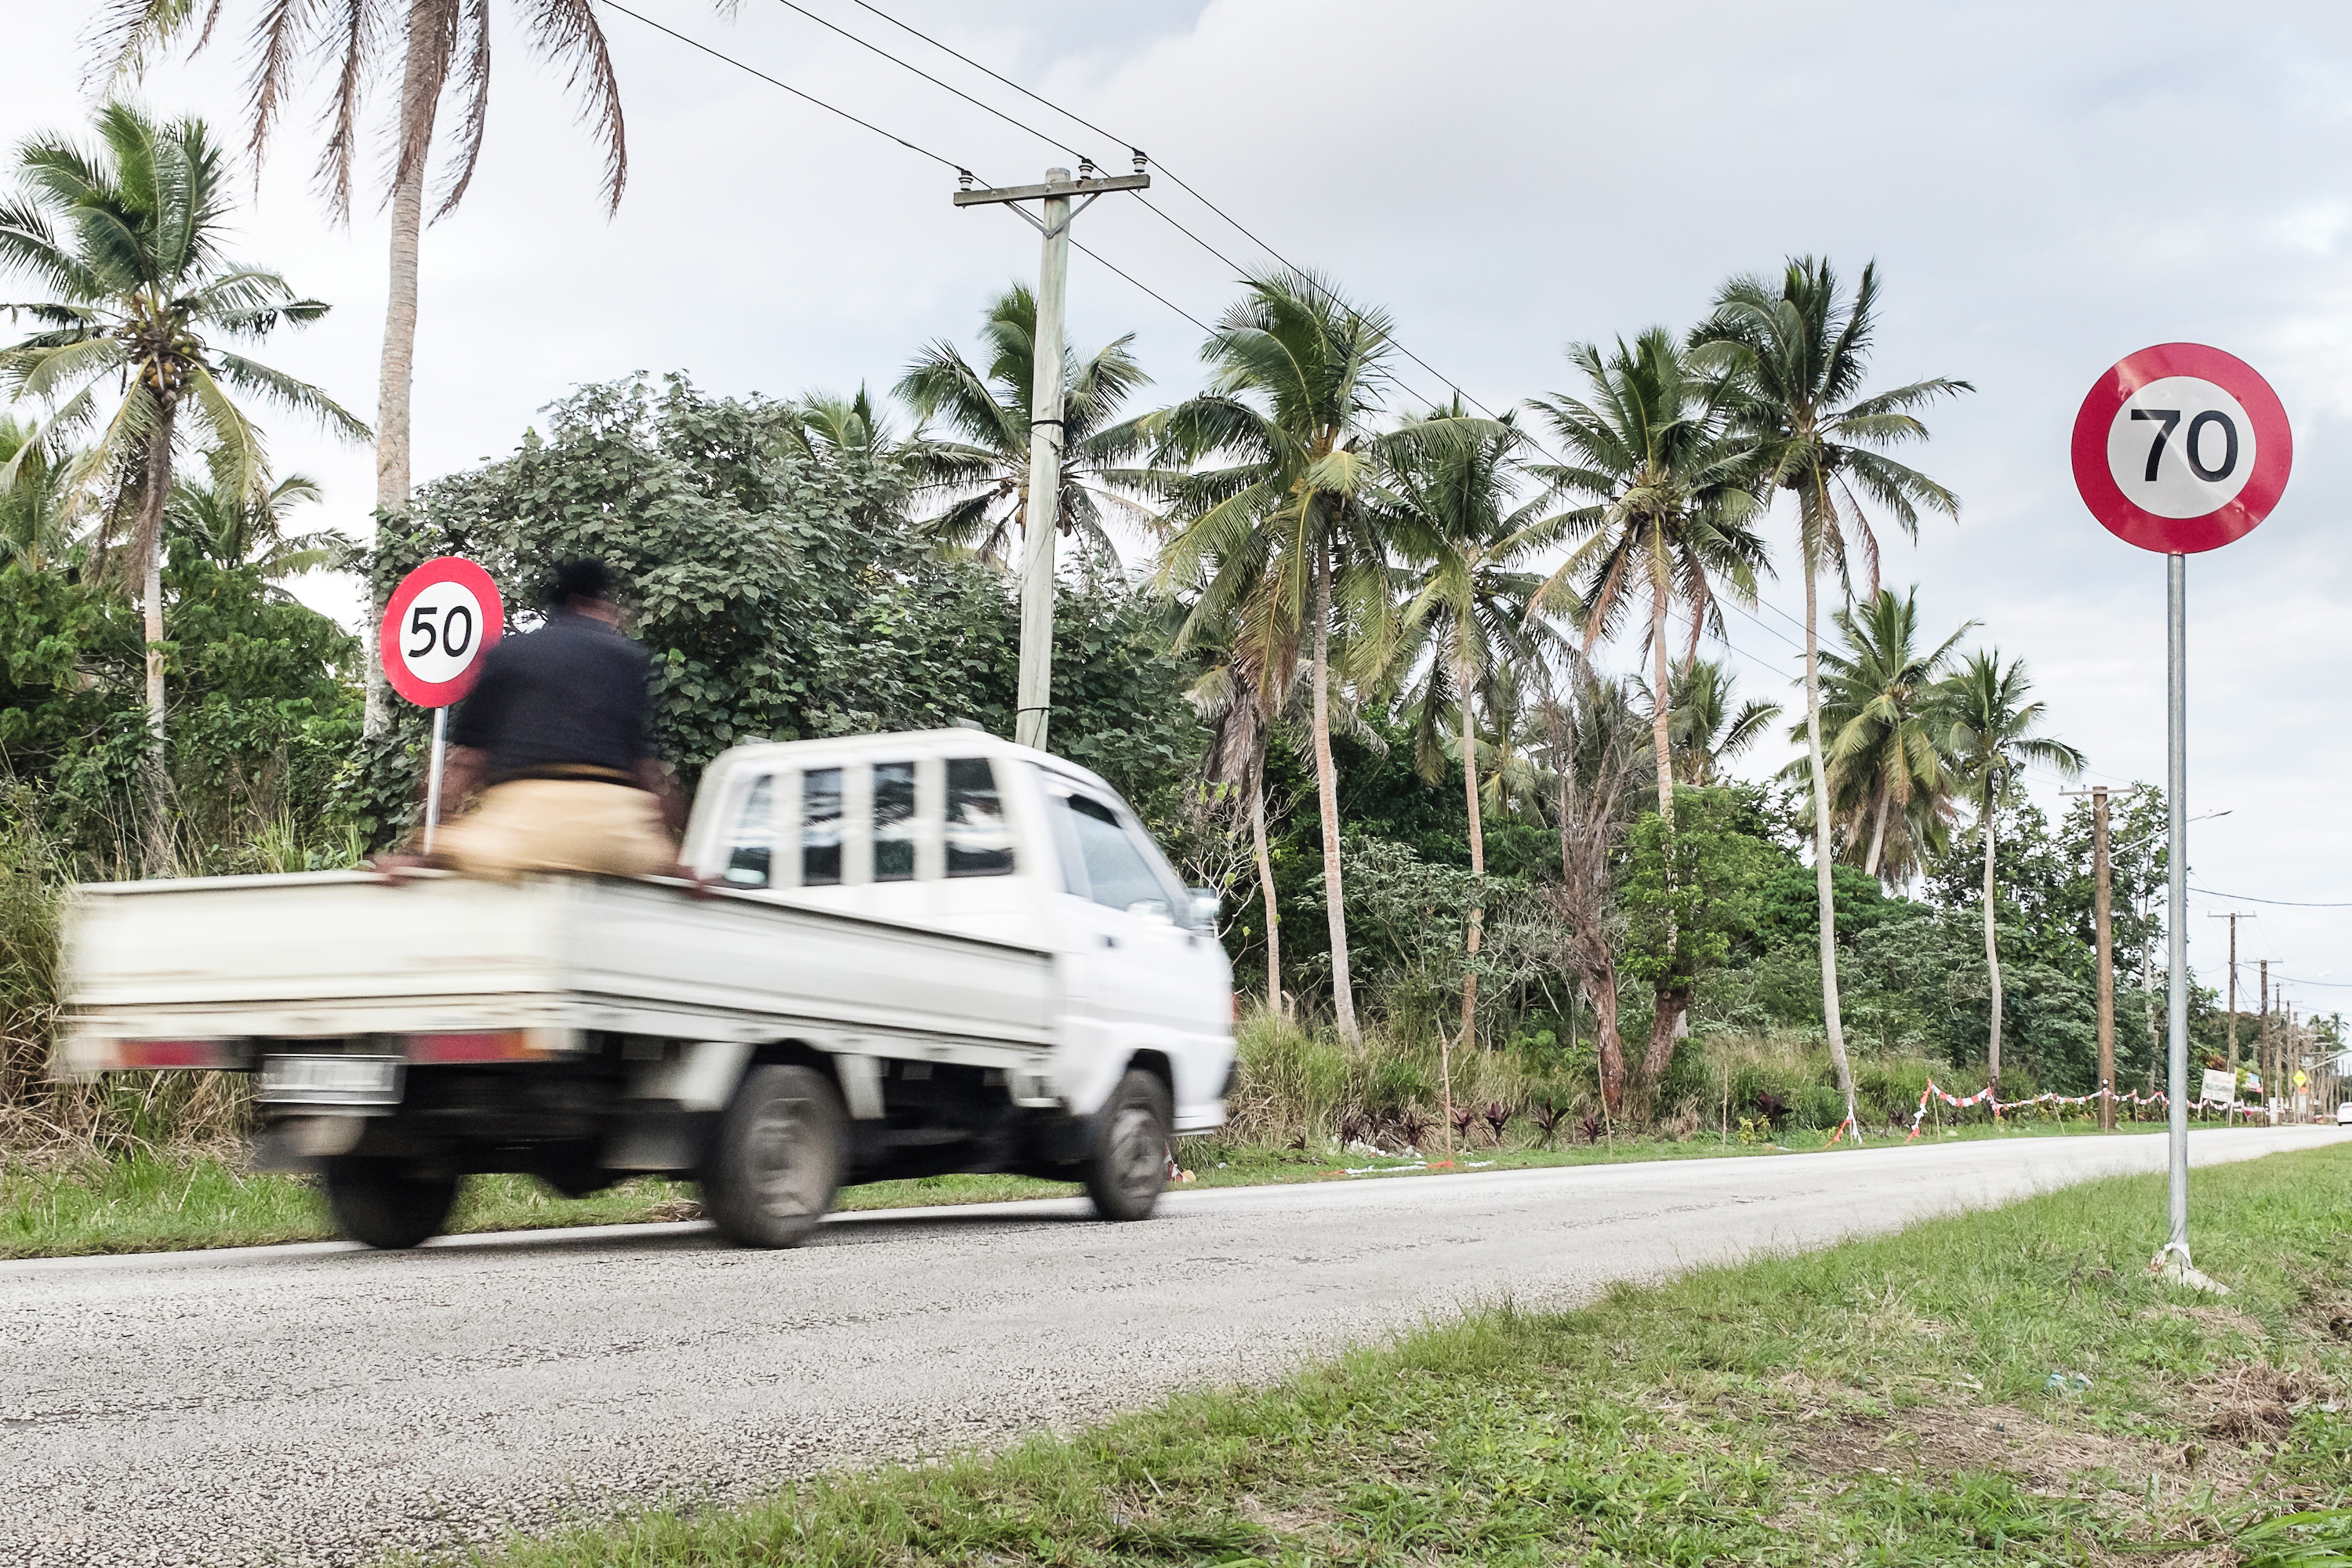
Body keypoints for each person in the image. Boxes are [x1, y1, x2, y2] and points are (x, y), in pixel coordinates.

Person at [391, 558, 697, 884]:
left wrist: (425, 847)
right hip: (612, 838)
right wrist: (681, 859)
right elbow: (648, 771)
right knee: (664, 864)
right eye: (610, 606)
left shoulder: (507, 654)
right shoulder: (627, 657)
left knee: (451, 853)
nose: (614, 618)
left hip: (520, 832)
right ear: (587, 602)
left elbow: (465, 764)